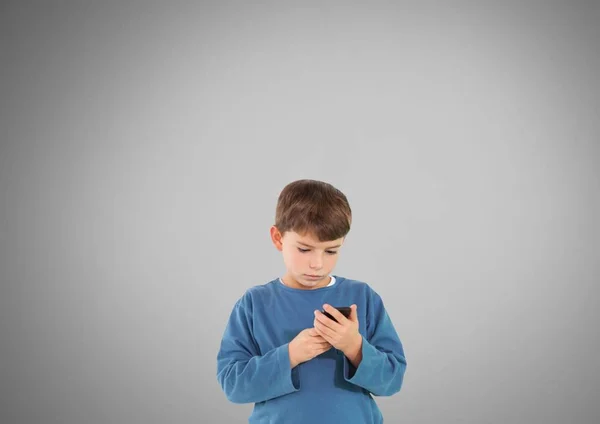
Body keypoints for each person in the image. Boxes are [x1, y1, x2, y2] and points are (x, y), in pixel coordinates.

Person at [216, 179, 407, 423]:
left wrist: (354, 347)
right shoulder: (255, 304)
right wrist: (290, 355)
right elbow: (233, 384)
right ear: (278, 238)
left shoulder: (363, 298)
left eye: (330, 251)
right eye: (304, 249)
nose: (317, 264)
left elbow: (392, 380)